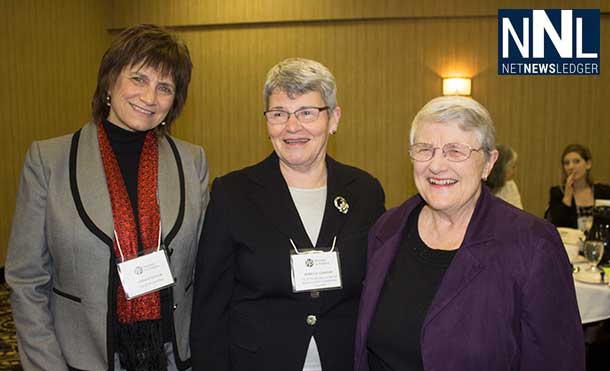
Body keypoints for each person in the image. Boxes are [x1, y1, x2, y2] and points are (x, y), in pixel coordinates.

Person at [5, 24, 209, 371]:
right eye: (139, 79)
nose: (150, 97)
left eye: (165, 88)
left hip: (173, 356)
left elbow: (204, 270)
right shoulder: (49, 161)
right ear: (110, 81)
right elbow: (27, 280)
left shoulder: (191, 161)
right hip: (82, 357)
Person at [354, 96, 585, 371]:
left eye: (455, 151)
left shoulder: (532, 243)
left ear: (488, 162)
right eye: (425, 149)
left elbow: (556, 360)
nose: (437, 165)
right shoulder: (387, 229)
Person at [190, 58, 385, 371]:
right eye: (279, 114)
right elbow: (209, 312)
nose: (292, 127)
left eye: (307, 112)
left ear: (334, 118)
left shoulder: (365, 192)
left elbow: (379, 293)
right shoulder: (232, 194)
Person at [546, 143, 610, 231]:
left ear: (588, 164)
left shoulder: (604, 191)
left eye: (576, 161)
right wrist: (567, 196)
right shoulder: (557, 192)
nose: (571, 167)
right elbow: (557, 226)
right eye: (566, 163)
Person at [484, 143, 523, 209]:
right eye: (512, 167)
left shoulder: (511, 185)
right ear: (501, 168)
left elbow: (519, 212)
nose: (514, 171)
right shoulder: (481, 187)